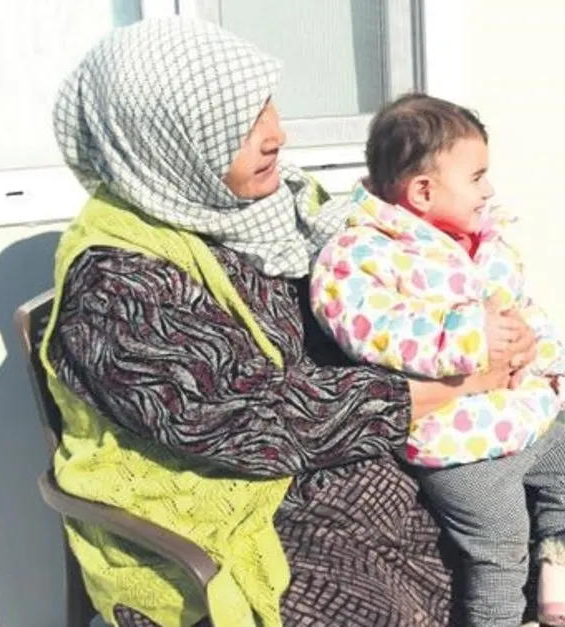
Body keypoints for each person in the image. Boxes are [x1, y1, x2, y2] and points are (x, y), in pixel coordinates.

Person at [42, 18, 523, 626]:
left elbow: (392, 280)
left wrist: (494, 326)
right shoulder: (116, 282)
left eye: (266, 104)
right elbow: (242, 419)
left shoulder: (279, 206)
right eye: (240, 122)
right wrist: (452, 385)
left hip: (346, 463)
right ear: (168, 139)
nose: (276, 134)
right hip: (242, 500)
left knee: (531, 506)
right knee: (387, 602)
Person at [309, 94, 565, 627]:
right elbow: (370, 327)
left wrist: (543, 359)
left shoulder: (482, 246)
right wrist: (469, 337)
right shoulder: (361, 254)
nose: (489, 190)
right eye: (477, 177)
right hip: (455, 445)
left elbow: (522, 314)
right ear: (423, 191)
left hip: (513, 419)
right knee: (501, 549)